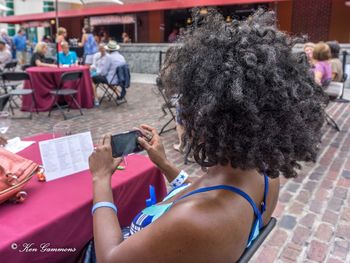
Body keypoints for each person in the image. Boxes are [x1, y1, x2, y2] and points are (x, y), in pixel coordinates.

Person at [87, 9, 327, 263]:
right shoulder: (264, 173)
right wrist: (165, 164)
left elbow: (109, 258)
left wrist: (100, 179)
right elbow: (204, 191)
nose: (182, 111)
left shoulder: (193, 220)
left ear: (208, 116)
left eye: (186, 102)